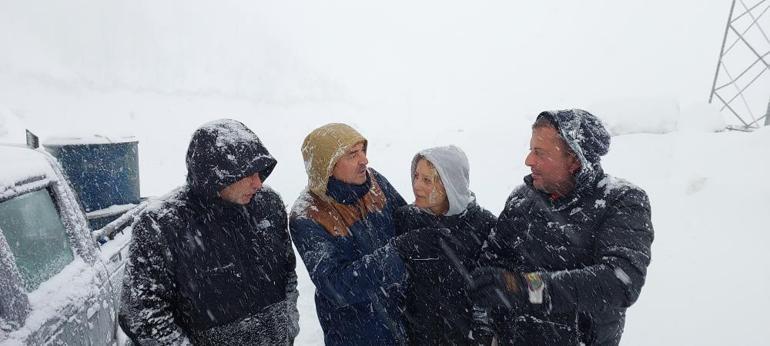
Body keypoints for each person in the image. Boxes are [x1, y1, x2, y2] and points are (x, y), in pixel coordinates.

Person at [471, 109, 654, 345]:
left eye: (540, 153)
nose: (529, 161)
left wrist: (525, 288)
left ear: (574, 159)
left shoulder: (621, 201)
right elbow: (490, 265)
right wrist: (483, 328)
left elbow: (620, 282)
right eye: (530, 151)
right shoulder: (521, 199)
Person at [119, 119, 299, 345]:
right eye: (248, 173)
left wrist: (288, 324)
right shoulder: (162, 225)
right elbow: (141, 314)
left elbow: (287, 272)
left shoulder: (268, 205)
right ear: (216, 175)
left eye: (261, 172)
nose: (258, 183)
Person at [289, 123, 410, 345]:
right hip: (358, 333)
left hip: (404, 317)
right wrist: (395, 255)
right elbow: (336, 285)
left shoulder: (373, 182)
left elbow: (407, 222)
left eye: (362, 150)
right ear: (327, 166)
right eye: (353, 154)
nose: (364, 160)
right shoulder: (308, 214)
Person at [393, 145, 496, 345]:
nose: (416, 186)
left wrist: (481, 335)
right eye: (416, 176)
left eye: (427, 180)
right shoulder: (405, 219)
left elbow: (491, 291)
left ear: (451, 184)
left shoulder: (483, 225)